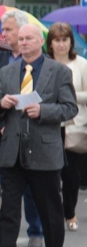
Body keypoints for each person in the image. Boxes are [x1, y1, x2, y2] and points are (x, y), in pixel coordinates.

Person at [0, 24, 78, 247]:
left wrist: (44, 111)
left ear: (40, 41)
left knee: (50, 209)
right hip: (13, 151)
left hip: (45, 152)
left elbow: (70, 109)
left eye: (29, 38)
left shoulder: (58, 71)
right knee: (9, 211)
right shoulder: (7, 71)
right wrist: (1, 104)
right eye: (21, 38)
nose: (23, 42)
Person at [0, 10, 44, 247]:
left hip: (30, 135)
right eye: (3, 29)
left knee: (31, 187)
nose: (3, 34)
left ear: (24, 32)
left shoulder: (40, 62)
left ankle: (35, 231)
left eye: (9, 30)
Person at [46, 22, 87, 232]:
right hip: (49, 125)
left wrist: (68, 96)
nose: (61, 45)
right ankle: (53, 214)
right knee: (51, 175)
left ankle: (69, 212)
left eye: (64, 40)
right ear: (50, 43)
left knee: (71, 176)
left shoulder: (81, 64)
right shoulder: (44, 64)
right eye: (57, 40)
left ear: (71, 42)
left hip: (74, 126)